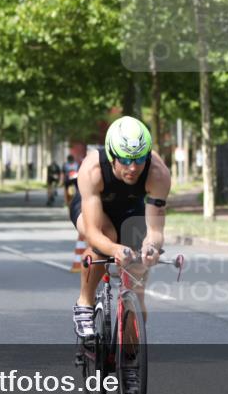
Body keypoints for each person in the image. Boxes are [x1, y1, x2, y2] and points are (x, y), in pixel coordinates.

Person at [69, 116, 171, 342]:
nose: (133, 168)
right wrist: (115, 249)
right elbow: (94, 233)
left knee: (136, 291)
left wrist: (151, 247)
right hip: (94, 211)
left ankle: (131, 362)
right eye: (125, 160)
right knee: (106, 239)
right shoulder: (93, 169)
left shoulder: (158, 173)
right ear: (112, 155)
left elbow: (155, 229)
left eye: (139, 159)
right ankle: (85, 303)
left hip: (131, 211)